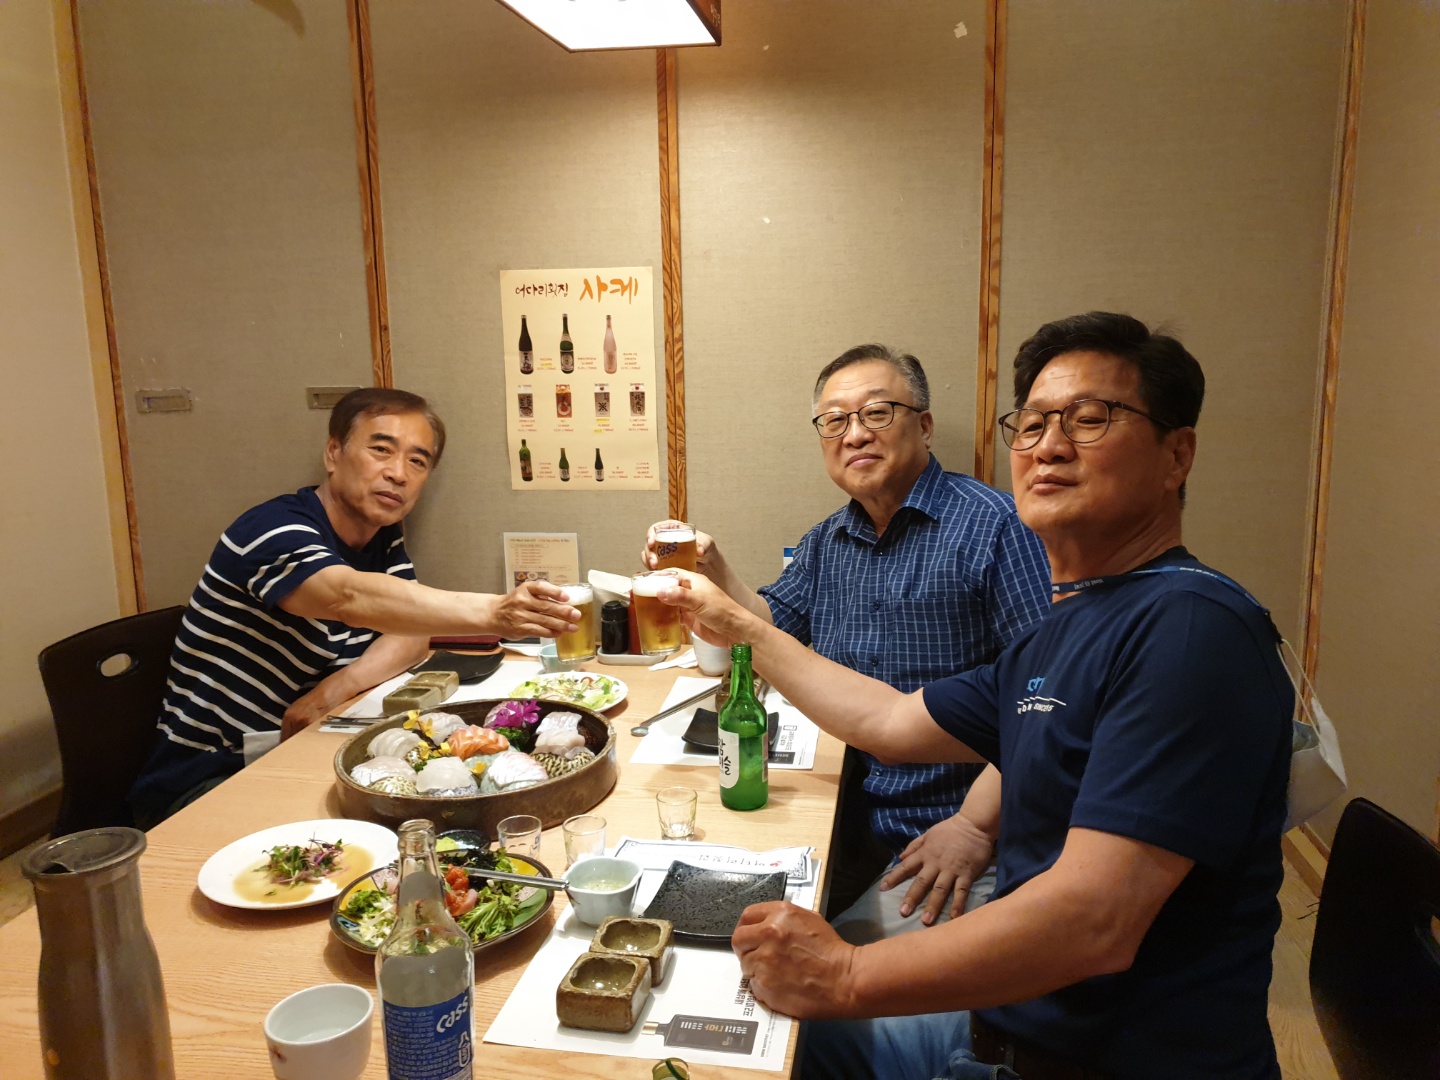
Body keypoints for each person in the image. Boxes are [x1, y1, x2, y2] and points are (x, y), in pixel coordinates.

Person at [659, 313, 1294, 1079]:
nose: (1049, 446)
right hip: (1006, 1016)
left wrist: (845, 974)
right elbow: (888, 719)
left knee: (767, 1042)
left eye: (1090, 419)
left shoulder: (1187, 630)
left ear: (1176, 454)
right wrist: (733, 619)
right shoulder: (1068, 625)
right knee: (721, 1018)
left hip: (1087, 1056)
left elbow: (1094, 922)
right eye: (1033, 424)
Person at [646, 344, 1051, 937]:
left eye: (877, 413)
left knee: (800, 974)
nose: (854, 434)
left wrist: (975, 827)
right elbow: (771, 627)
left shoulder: (998, 527)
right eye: (834, 421)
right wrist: (713, 569)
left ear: (925, 425)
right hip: (848, 812)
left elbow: (1047, 704)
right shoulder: (829, 539)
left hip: (947, 831)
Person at [129, 388, 579, 829]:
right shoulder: (271, 529)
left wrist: (330, 693)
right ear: (333, 453)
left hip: (303, 746)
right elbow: (346, 597)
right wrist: (497, 612)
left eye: (417, 461)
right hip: (208, 779)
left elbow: (410, 631)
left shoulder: (380, 536)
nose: (398, 473)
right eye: (381, 450)